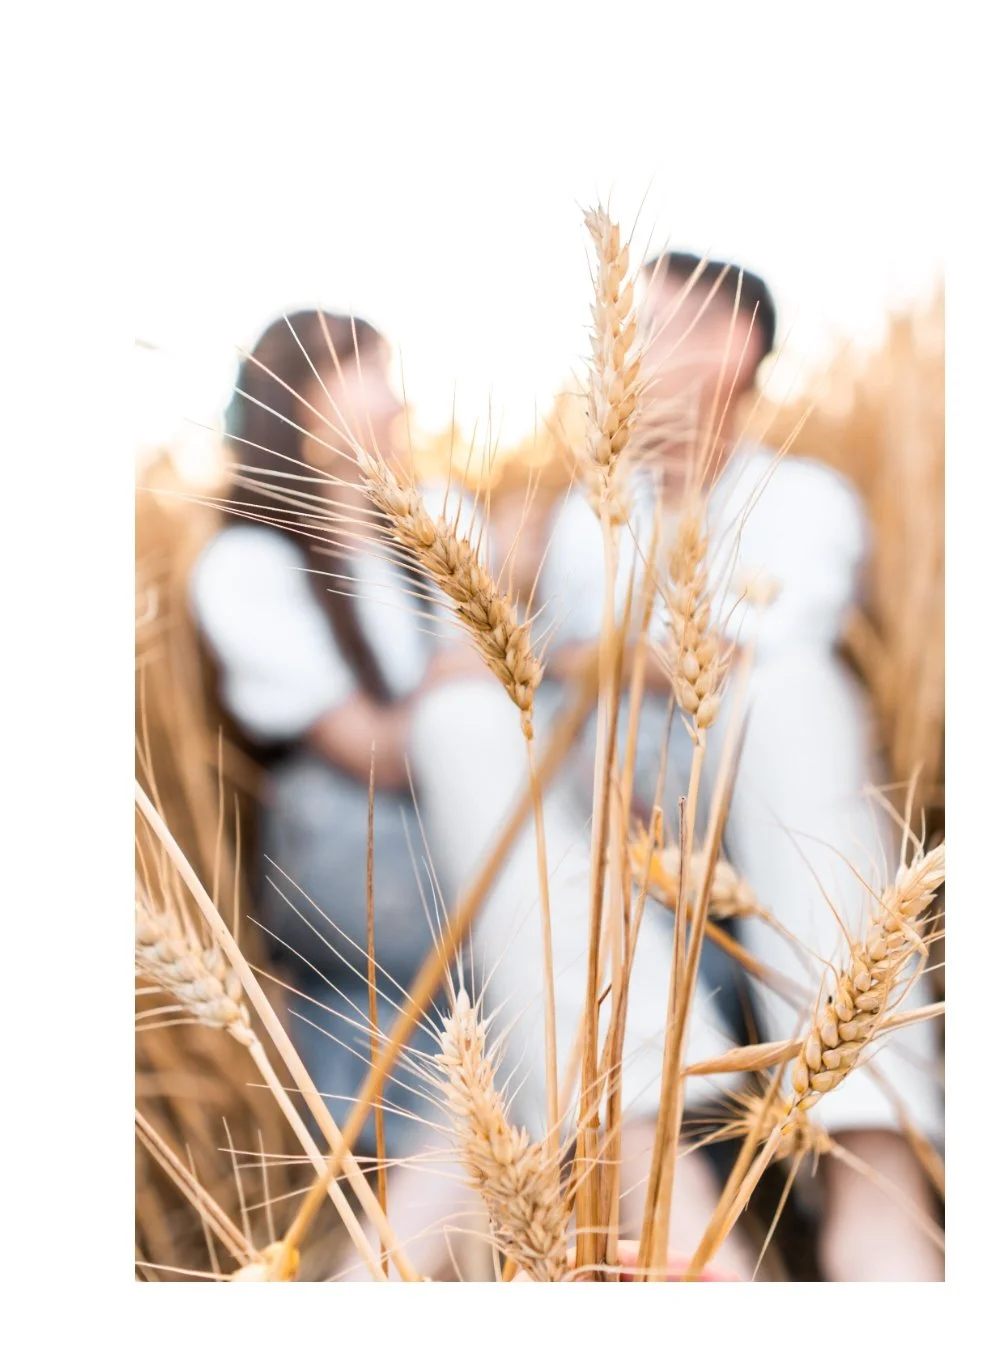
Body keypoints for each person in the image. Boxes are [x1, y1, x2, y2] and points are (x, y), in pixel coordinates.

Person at [532, 252, 945, 1281]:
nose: (621, 353)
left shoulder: (806, 496)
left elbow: (736, 656)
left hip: (771, 810)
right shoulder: (590, 512)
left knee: (794, 693)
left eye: (656, 327)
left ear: (735, 346)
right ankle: (665, 1188)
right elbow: (566, 657)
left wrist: (598, 657)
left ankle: (872, 1165)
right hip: (615, 831)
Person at [189, 311, 490, 1277]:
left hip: (461, 863)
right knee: (498, 1083)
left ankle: (368, 1285)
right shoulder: (247, 566)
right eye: (374, 374)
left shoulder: (440, 522)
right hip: (373, 887)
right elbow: (378, 752)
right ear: (304, 401)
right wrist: (469, 679)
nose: (399, 399)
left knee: (482, 1111)